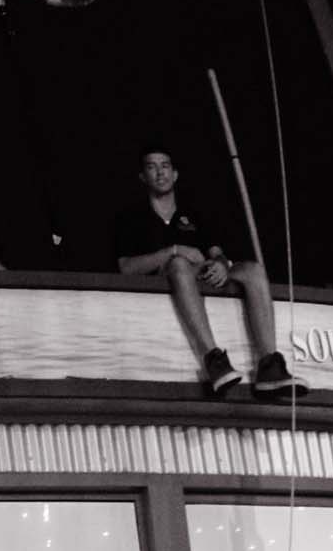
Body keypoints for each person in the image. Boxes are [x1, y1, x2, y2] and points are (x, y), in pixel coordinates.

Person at [111, 142, 308, 399]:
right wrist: (174, 250)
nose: (160, 173)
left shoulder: (194, 212)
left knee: (253, 270)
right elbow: (126, 268)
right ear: (142, 176)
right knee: (179, 264)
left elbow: (216, 252)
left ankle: (270, 365)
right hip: (169, 278)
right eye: (152, 167)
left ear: (175, 173)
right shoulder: (132, 218)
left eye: (165, 166)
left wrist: (221, 264)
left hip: (202, 275)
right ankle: (214, 360)